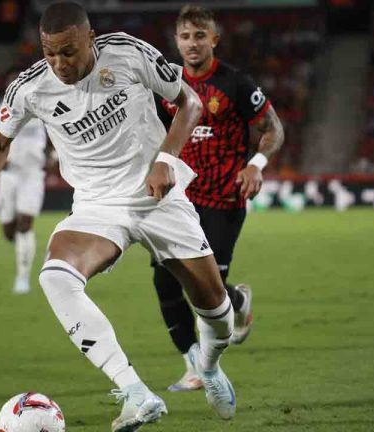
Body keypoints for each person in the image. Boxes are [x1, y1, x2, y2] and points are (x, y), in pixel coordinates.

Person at [0, 2, 237, 430]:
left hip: (156, 196)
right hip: (96, 205)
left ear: (90, 38)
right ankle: (135, 392)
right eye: (49, 53)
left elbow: (191, 103)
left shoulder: (127, 52)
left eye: (68, 52)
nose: (59, 64)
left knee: (216, 312)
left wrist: (166, 157)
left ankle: (211, 366)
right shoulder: (30, 88)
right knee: (54, 277)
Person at [152, 5, 283, 392]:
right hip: (178, 200)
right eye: (185, 37)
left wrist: (256, 164)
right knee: (164, 281)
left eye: (199, 36)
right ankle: (194, 363)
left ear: (214, 40)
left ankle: (236, 303)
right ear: (176, 41)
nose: (192, 44)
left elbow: (273, 128)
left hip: (225, 198)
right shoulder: (167, 85)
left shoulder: (236, 84)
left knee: (207, 290)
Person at [0, 71, 51, 295]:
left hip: (32, 173)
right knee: (9, 230)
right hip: (8, 175)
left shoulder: (42, 110)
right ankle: (23, 248)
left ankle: (23, 278)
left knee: (25, 224)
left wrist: (53, 159)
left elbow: (55, 137)